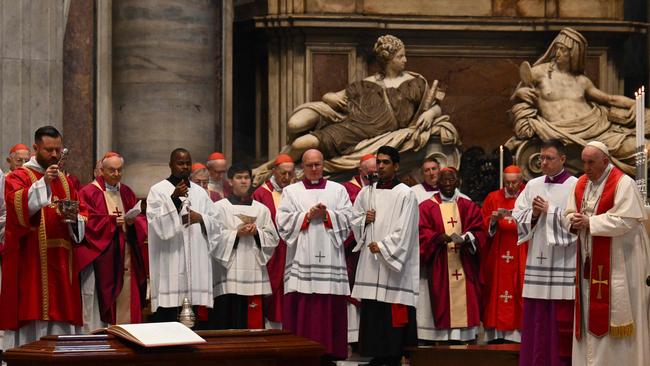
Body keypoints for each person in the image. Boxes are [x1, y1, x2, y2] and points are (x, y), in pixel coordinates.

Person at [562, 141, 649, 366]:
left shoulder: (623, 183)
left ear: (605, 161)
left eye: (591, 162)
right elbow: (567, 213)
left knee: (617, 313)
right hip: (588, 263)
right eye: (584, 162)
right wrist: (573, 221)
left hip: (621, 260)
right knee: (589, 314)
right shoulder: (581, 184)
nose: (586, 167)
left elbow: (627, 220)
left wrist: (590, 222)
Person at [0, 126, 88, 349]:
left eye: (58, 150)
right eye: (49, 150)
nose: (55, 155)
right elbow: (16, 209)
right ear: (36, 148)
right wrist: (43, 184)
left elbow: (82, 215)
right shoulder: (19, 176)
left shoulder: (67, 181)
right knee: (34, 310)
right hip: (31, 261)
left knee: (61, 314)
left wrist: (74, 218)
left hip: (61, 259)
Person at [511, 27, 643, 173]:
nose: (558, 53)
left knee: (642, 148)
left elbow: (609, 99)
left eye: (564, 50)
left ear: (574, 54)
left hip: (598, 128)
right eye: (557, 48)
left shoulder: (582, 81)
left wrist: (636, 103)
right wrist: (519, 93)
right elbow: (519, 94)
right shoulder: (539, 72)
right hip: (562, 131)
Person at [276, 149, 353, 360]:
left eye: (317, 164)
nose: (313, 169)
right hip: (301, 257)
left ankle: (330, 352)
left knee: (328, 305)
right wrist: (308, 215)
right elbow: (282, 221)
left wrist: (327, 215)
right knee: (302, 304)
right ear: (303, 166)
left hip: (330, 257)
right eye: (309, 165)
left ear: (323, 165)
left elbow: (349, 219)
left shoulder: (338, 190)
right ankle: (300, 352)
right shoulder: (291, 192)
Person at [350, 146, 419, 366]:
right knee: (373, 312)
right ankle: (376, 354)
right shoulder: (367, 192)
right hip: (371, 264)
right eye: (378, 162)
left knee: (392, 311)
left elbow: (406, 229)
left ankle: (392, 355)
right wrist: (364, 220)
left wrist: (383, 246)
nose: (380, 166)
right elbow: (355, 220)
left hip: (392, 264)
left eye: (386, 162)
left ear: (396, 166)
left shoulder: (405, 194)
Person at [512, 139, 578, 366]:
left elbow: (577, 222)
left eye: (549, 158)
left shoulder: (575, 185)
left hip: (563, 262)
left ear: (562, 159)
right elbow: (517, 214)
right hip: (538, 259)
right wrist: (533, 214)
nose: (544, 162)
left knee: (560, 318)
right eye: (541, 158)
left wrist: (550, 211)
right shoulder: (533, 185)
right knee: (536, 318)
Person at [146, 148, 220, 326]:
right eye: (180, 163)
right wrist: (174, 200)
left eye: (188, 163)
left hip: (195, 263)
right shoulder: (158, 190)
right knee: (169, 318)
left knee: (195, 321)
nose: (185, 166)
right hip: (169, 262)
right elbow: (158, 226)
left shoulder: (200, 193)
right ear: (171, 165)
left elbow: (217, 223)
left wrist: (200, 218)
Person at [77, 152, 147, 331]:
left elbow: (139, 219)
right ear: (101, 170)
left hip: (126, 255)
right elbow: (86, 221)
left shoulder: (126, 192)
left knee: (128, 299)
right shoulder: (89, 192)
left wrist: (132, 222)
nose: (116, 174)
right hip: (103, 258)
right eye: (112, 170)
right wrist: (110, 221)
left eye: (119, 170)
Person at [418, 168, 485, 343]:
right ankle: (442, 343)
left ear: (458, 182)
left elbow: (480, 230)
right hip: (439, 264)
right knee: (440, 301)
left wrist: (468, 237)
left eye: (451, 180)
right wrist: (435, 238)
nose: (447, 184)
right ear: (437, 183)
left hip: (464, 263)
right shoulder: (426, 207)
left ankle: (465, 340)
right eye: (444, 180)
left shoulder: (467, 205)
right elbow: (420, 231)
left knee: (466, 299)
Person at [210, 163, 278, 329]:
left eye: (246, 177)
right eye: (239, 178)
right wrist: (236, 234)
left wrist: (257, 233)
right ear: (231, 181)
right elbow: (213, 239)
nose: (243, 181)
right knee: (228, 318)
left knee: (252, 321)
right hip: (228, 274)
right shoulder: (219, 208)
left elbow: (272, 239)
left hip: (253, 271)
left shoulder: (261, 210)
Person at [480, 165, 526, 343]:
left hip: (521, 251)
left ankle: (518, 336)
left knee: (518, 288)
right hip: (498, 253)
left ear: (521, 181)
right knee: (497, 291)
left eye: (514, 182)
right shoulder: (493, 197)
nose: (511, 186)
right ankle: (496, 335)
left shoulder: (527, 197)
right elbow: (482, 224)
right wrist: (492, 221)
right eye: (507, 183)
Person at [251, 153, 295, 328]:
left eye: (290, 174)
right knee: (273, 291)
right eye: (283, 173)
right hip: (273, 252)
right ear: (274, 171)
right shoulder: (261, 194)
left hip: (292, 249)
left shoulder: (296, 191)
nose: (286, 178)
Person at [341, 153, 376, 343]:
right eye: (368, 172)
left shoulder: (382, 188)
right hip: (353, 249)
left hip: (375, 248)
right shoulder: (347, 189)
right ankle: (354, 338)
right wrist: (362, 224)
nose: (372, 175)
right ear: (360, 170)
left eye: (375, 172)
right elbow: (345, 219)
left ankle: (371, 337)